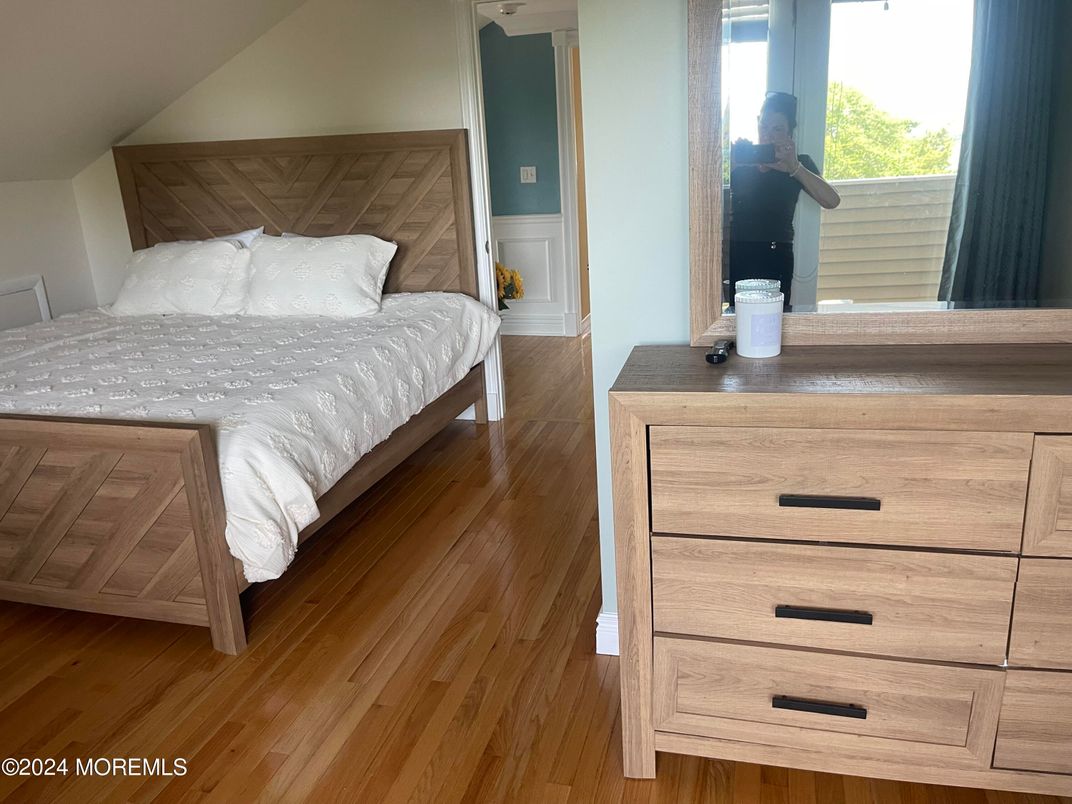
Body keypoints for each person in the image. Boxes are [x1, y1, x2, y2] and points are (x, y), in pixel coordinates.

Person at [728, 91, 841, 308]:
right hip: (738, 252)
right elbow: (703, 198)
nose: (768, 135)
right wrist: (732, 164)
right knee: (736, 316)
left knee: (775, 318)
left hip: (776, 254)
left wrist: (794, 168)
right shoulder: (742, 161)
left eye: (777, 129)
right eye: (763, 126)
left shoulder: (797, 164)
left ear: (790, 132)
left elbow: (832, 200)